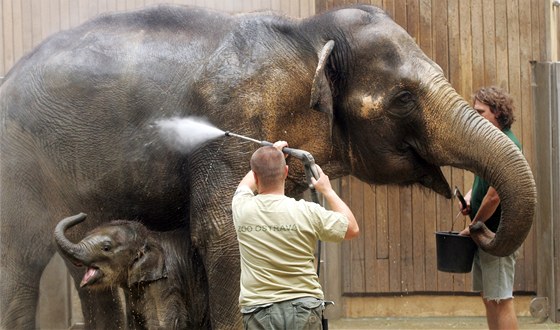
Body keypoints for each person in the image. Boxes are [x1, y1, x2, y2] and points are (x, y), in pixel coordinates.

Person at [232, 140, 359, 329]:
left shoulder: (242, 208)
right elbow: (352, 229)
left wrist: (272, 153)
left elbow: (244, 186)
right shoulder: (307, 211)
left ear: (256, 178)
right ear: (286, 173)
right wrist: (328, 191)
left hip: (259, 312)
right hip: (304, 310)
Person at [458, 86, 520, 329]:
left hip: (497, 235)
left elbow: (494, 197)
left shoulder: (507, 145)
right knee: (488, 297)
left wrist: (473, 227)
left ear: (497, 112)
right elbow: (482, 183)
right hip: (484, 235)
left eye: (480, 112)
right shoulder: (489, 143)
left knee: (501, 299)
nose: (475, 117)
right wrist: (470, 199)